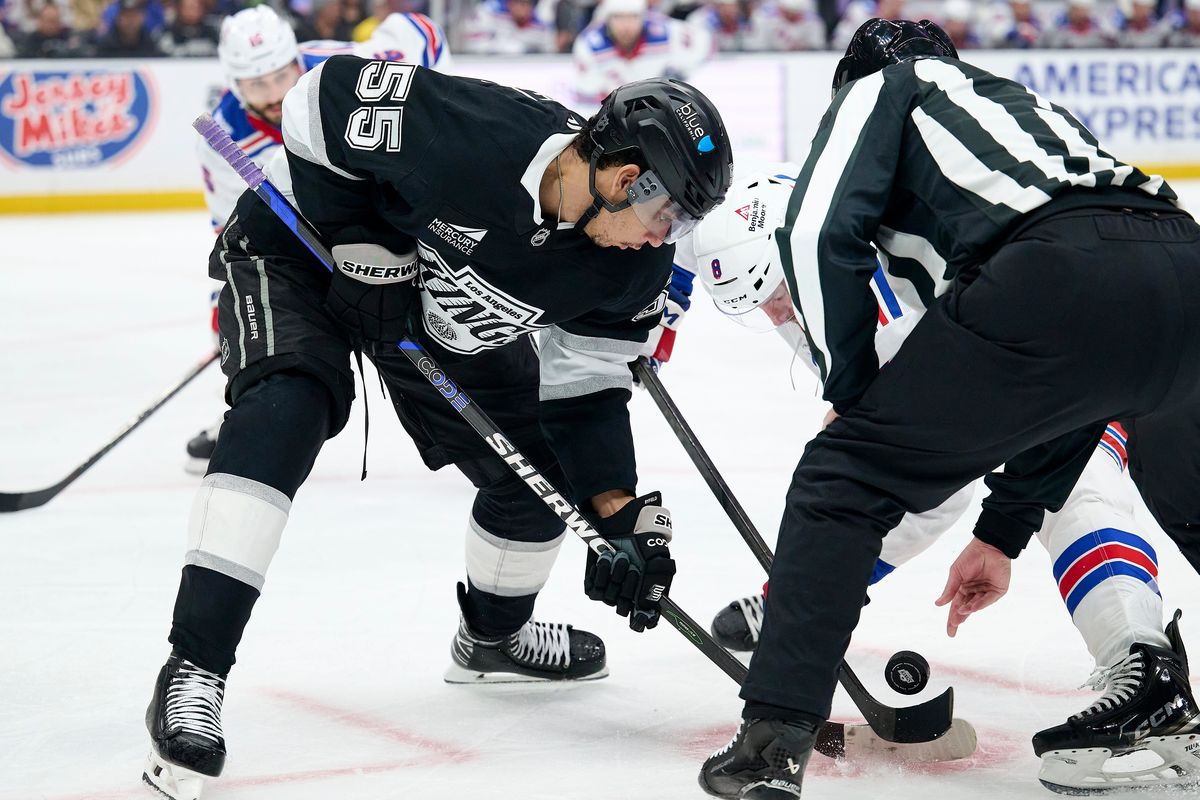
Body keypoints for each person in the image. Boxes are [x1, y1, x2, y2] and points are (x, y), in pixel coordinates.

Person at [143, 64, 733, 799]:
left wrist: (617, 516)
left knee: (541, 481)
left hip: (429, 313)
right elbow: (312, 101)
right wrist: (363, 237)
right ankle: (196, 666)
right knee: (287, 406)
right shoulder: (476, 133)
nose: (661, 242)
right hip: (300, 249)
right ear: (625, 178)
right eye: (667, 218)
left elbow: (586, 393)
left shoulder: (626, 276)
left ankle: (492, 638)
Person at [695, 18, 1200, 799]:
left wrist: (851, 396)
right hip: (1182, 261)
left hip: (1056, 284)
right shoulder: (1014, 111)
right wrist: (1002, 531)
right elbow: (1058, 398)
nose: (774, 316)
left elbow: (824, 235)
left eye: (772, 295)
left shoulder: (879, 95)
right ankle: (1152, 681)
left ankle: (769, 745)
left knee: (845, 477)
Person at [184, 5, 451, 474]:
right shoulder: (222, 135)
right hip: (306, 242)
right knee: (273, 324)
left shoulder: (339, 71)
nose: (271, 94)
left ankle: (481, 422)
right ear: (233, 82)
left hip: (390, 216)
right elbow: (234, 233)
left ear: (296, 60)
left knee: (443, 314)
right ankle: (253, 412)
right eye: (254, 85)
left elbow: (420, 33)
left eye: (279, 76)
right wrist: (224, 312)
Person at [573, 0, 709, 103]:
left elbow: (705, 43)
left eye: (633, 17)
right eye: (618, 17)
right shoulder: (589, 44)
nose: (626, 25)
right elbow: (588, 93)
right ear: (607, 18)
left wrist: (680, 74)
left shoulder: (667, 32)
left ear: (644, 17)